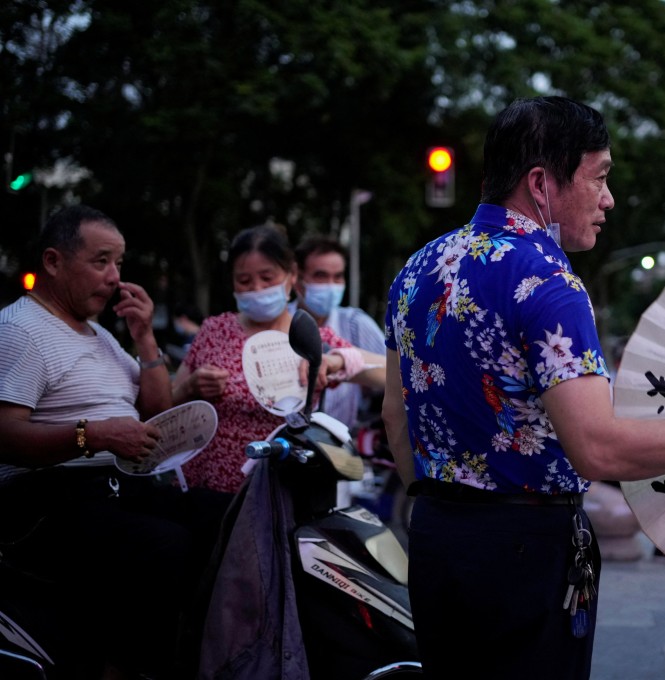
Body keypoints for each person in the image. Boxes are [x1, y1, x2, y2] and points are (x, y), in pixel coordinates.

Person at [381, 96, 665, 679]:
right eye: (600, 177)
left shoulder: (418, 268)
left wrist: (444, 506)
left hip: (434, 536)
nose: (608, 199)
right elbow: (599, 449)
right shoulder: (548, 280)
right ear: (541, 183)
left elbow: (394, 415)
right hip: (526, 546)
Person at [0, 204, 229, 679]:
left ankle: (200, 655)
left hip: (119, 487)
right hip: (45, 499)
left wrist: (144, 337)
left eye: (119, 264)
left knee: (221, 515)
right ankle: (125, 670)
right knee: (164, 545)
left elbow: (157, 411)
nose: (114, 278)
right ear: (53, 262)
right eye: (101, 260)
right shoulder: (21, 330)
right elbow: (6, 436)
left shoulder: (100, 333)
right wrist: (93, 435)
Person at [171, 225, 386, 494]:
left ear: (291, 277)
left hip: (279, 493)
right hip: (208, 489)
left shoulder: (310, 338)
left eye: (267, 278)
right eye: (244, 281)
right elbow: (165, 407)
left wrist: (337, 361)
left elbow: (389, 371)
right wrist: (190, 388)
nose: (257, 289)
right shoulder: (215, 331)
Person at [293, 235, 386, 428]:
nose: (331, 285)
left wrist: (344, 364)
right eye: (320, 275)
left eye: (338, 277)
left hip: (342, 444)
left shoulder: (354, 323)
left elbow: (396, 373)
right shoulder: (278, 324)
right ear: (297, 279)